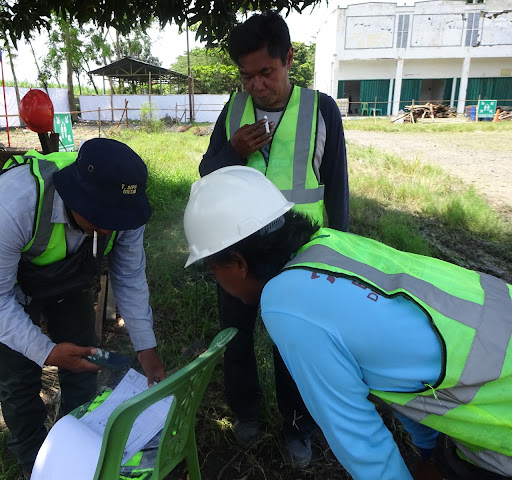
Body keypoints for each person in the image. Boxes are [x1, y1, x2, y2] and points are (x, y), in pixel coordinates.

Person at [183, 165, 512, 480]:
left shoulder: (286, 303)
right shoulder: (331, 244)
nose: (216, 279)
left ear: (237, 262)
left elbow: (357, 435)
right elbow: (394, 365)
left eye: (213, 268)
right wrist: (428, 450)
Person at [198, 10, 349, 465]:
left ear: (288, 59)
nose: (256, 85)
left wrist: (337, 256)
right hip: (239, 256)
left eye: (266, 72)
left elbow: (337, 189)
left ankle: (298, 426)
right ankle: (246, 413)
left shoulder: (319, 110)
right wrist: (233, 151)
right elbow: (207, 173)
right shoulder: (234, 110)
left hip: (298, 255)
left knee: (294, 346)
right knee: (236, 339)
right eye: (247, 76)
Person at [0, 138, 166, 476]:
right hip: (5, 286)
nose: (111, 226)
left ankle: (76, 447)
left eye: (119, 218)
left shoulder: (124, 207)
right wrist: (46, 351)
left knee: (84, 363)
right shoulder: (16, 202)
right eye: (102, 217)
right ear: (75, 195)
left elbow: (129, 277)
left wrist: (146, 347)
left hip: (67, 276)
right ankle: (36, 463)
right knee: (19, 378)